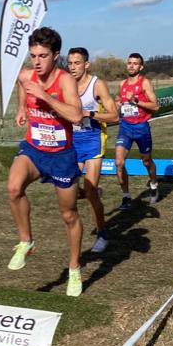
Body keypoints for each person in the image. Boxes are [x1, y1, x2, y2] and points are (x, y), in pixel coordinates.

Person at [7, 26, 84, 297]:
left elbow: (76, 116)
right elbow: (22, 83)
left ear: (55, 55)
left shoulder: (65, 81)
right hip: (34, 148)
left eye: (42, 56)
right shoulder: (27, 75)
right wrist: (20, 108)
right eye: (33, 55)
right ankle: (26, 241)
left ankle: (74, 268)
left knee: (68, 214)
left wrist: (46, 98)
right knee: (14, 188)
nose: (36, 62)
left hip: (62, 155)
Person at [67, 47, 119, 253]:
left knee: (88, 190)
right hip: (73, 141)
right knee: (68, 190)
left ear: (86, 64)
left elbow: (115, 117)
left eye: (77, 63)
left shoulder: (97, 85)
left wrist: (89, 113)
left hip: (93, 141)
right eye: (70, 63)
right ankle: (94, 192)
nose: (72, 67)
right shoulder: (66, 84)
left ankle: (102, 233)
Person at [115, 52, 160, 210]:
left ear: (141, 67)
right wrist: (118, 104)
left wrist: (137, 101)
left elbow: (155, 106)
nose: (131, 66)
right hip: (126, 127)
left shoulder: (145, 83)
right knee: (119, 162)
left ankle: (154, 184)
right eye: (129, 63)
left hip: (141, 127)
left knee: (146, 161)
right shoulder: (122, 84)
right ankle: (126, 197)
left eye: (135, 63)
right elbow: (118, 102)